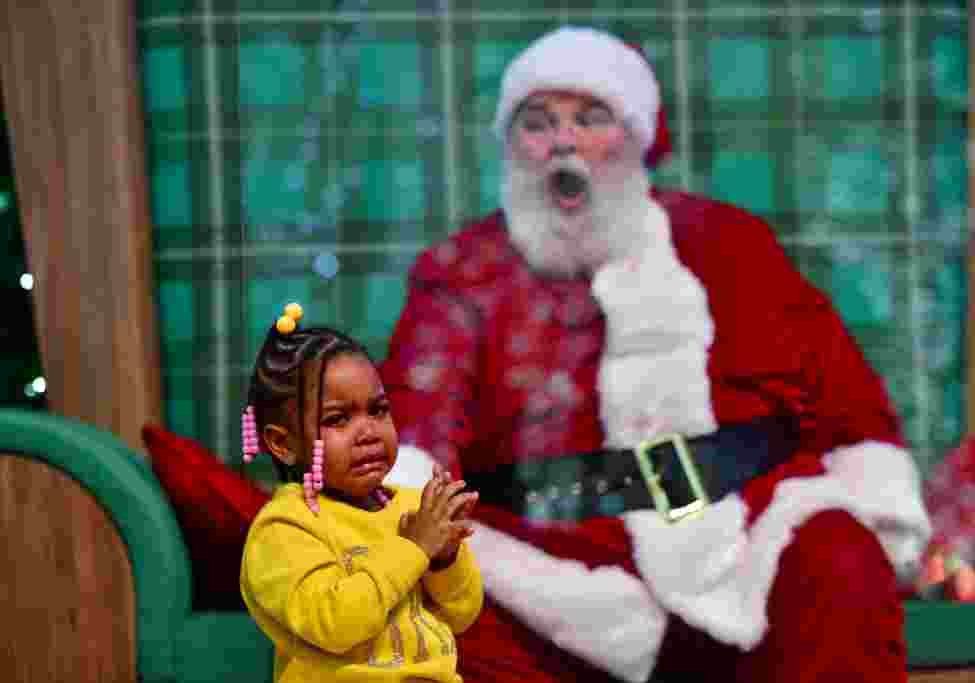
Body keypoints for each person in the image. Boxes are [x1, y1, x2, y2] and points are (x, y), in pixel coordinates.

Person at [379, 26, 933, 683]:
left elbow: (844, 402)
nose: (564, 140)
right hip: (543, 566)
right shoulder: (462, 276)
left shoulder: (728, 246)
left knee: (837, 559)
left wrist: (881, 507)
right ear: (511, 148)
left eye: (592, 118)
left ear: (637, 139)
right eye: (537, 122)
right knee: (422, 626)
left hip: (741, 537)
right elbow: (418, 432)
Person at [239, 303, 484, 683]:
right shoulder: (285, 528)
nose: (368, 431)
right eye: (338, 419)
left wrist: (444, 558)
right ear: (282, 444)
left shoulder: (410, 506)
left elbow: (462, 615)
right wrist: (414, 549)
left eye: (378, 410)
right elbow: (335, 625)